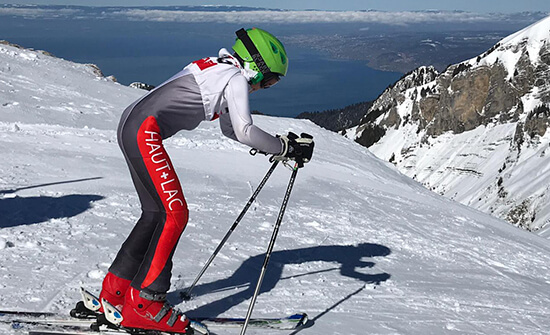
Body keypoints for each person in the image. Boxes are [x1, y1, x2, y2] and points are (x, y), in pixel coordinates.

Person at [97, 28, 314, 334]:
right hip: (144, 132)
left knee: (155, 214)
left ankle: (115, 293)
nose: (266, 87)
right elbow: (244, 130)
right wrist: (286, 148)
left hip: (131, 125)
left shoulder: (219, 68)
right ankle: (146, 303)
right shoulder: (236, 78)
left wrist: (276, 144)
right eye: (269, 80)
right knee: (175, 214)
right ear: (257, 66)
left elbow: (229, 128)